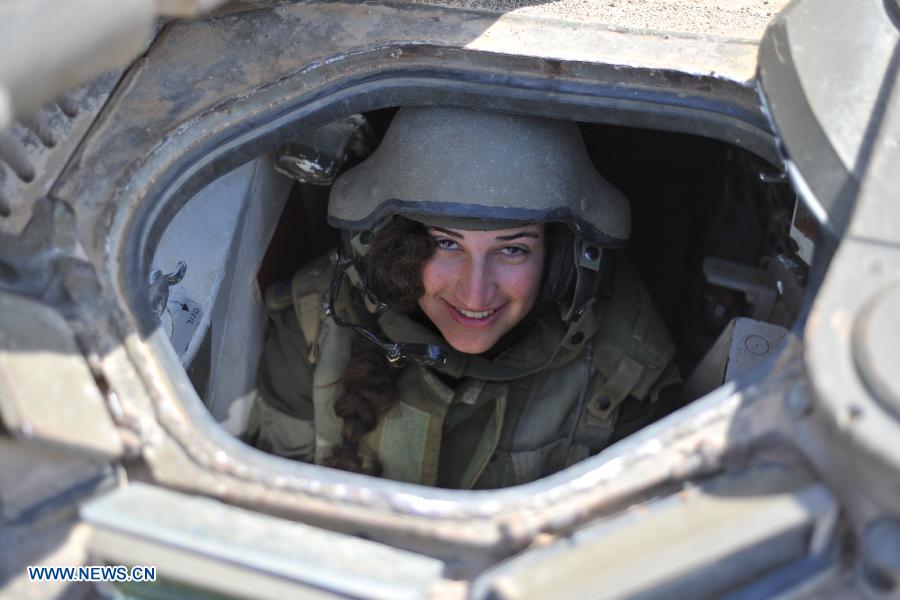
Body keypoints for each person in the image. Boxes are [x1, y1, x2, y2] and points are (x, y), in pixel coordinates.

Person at [243, 107, 680, 489]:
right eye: (446, 244)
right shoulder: (315, 320)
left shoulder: (627, 359)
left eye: (513, 249)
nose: (475, 292)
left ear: (561, 259)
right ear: (396, 242)